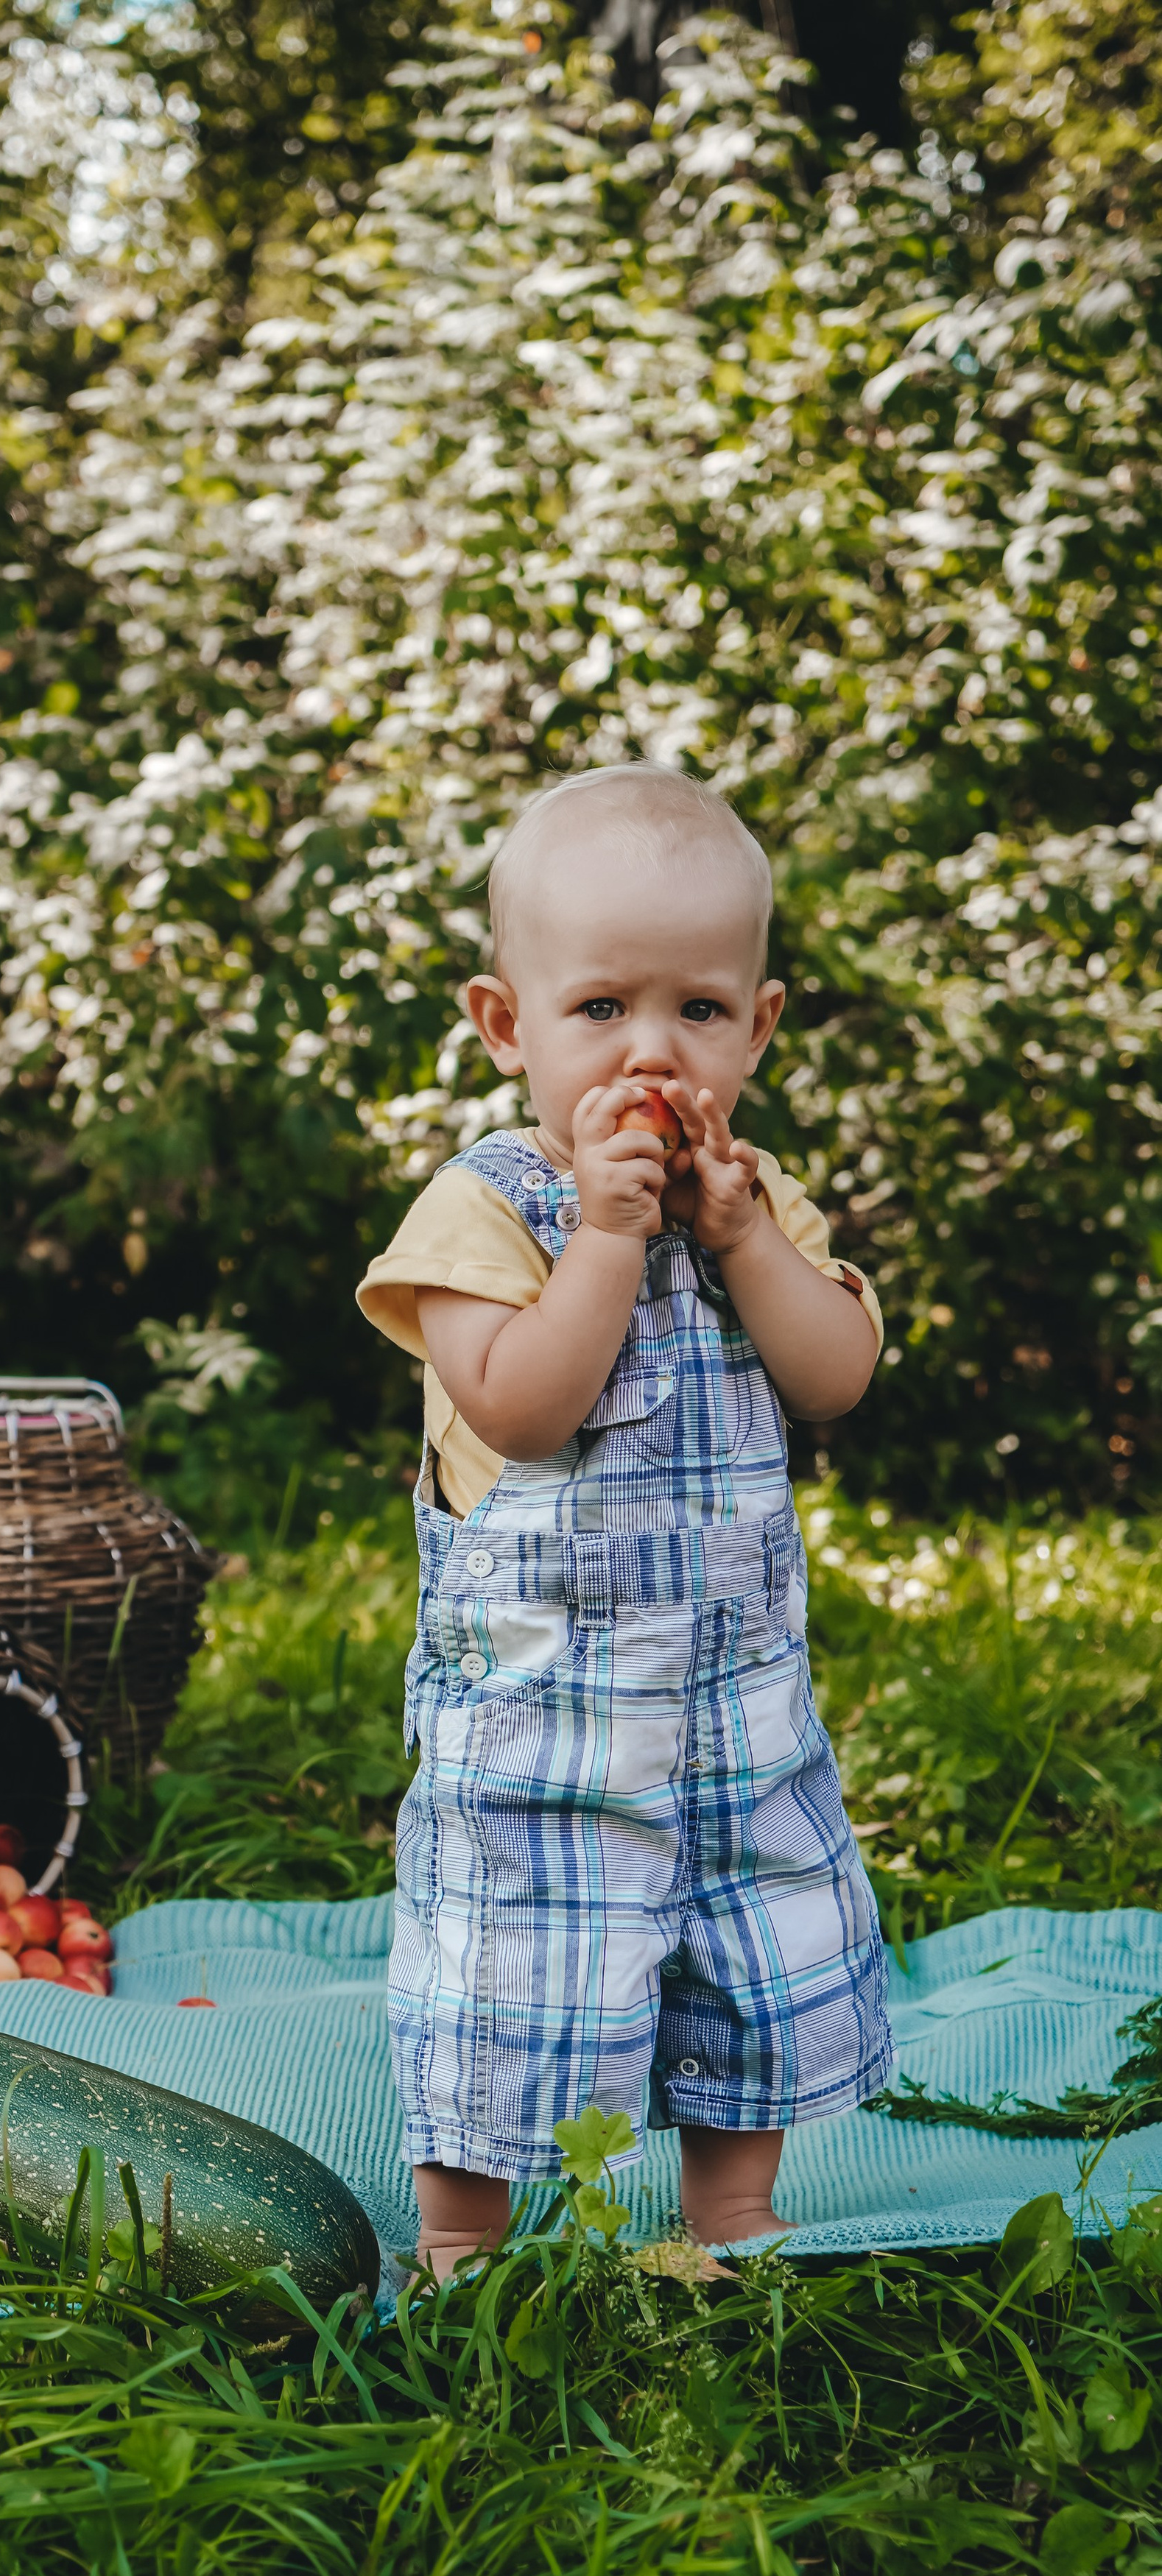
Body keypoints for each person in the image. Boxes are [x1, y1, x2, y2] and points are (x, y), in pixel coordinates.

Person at [356, 763, 892, 2275]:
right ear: (502, 1024)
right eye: (599, 1009)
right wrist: (602, 1234)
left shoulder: (748, 1199)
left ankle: (732, 2213)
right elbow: (521, 1406)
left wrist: (740, 1242)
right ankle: (462, 2245)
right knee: (512, 1976)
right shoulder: (485, 1211)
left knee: (753, 1947)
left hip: (734, 1706)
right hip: (543, 1720)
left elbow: (832, 1376)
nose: (649, 1051)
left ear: (758, 1026)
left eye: (697, 1013)